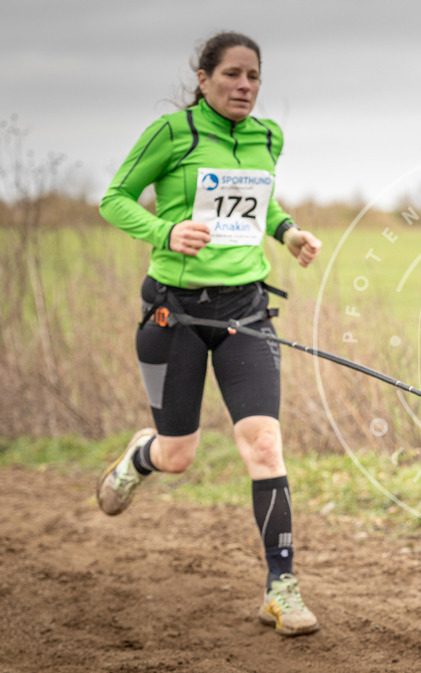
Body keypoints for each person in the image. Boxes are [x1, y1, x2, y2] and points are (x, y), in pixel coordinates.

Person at [96, 31, 323, 637]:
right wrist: (164, 232)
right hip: (177, 317)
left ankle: (281, 588)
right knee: (179, 456)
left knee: (264, 446)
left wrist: (289, 232)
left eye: (253, 76)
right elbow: (114, 198)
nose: (244, 86)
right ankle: (143, 455)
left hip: (245, 312)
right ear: (203, 79)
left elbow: (260, 204)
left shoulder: (267, 136)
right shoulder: (172, 135)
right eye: (231, 75)